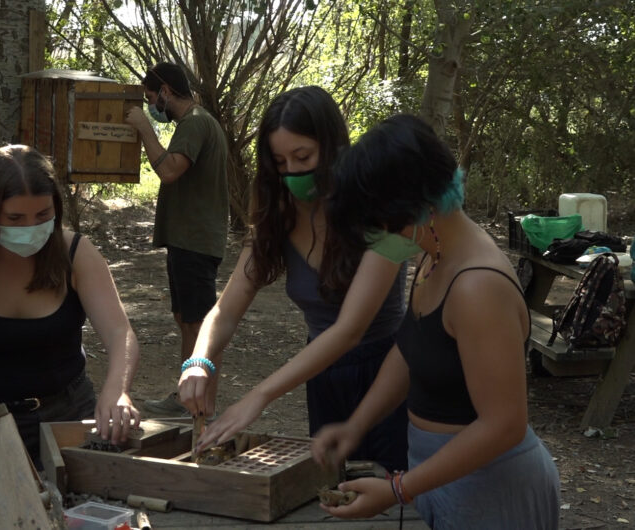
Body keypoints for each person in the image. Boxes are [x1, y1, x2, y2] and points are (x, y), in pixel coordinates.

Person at [311, 114, 560, 528]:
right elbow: (411, 351)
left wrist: (398, 490)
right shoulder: (433, 253)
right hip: (440, 476)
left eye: (375, 223)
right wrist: (356, 425)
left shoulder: (477, 287)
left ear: (415, 209)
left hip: (492, 490)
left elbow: (505, 424)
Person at [178, 86, 409, 472]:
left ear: (332, 146)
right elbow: (227, 308)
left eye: (303, 157)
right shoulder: (280, 215)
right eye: (280, 163)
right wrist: (199, 360)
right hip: (322, 376)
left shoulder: (376, 208)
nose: (293, 173)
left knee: (390, 491)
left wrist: (260, 396)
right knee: (334, 487)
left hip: (387, 371)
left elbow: (350, 330)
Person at [0, 145, 140, 468]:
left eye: (43, 215)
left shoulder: (75, 253)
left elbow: (119, 332)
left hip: (71, 415)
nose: (31, 228)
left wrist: (117, 390)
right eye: (15, 218)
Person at [126, 61, 229, 416]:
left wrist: (143, 129)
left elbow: (169, 170)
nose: (152, 106)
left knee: (199, 324)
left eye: (151, 98)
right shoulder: (193, 122)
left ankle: (204, 404)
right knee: (185, 320)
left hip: (196, 242)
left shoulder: (196, 123)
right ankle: (188, 396)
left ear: (166, 92)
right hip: (187, 241)